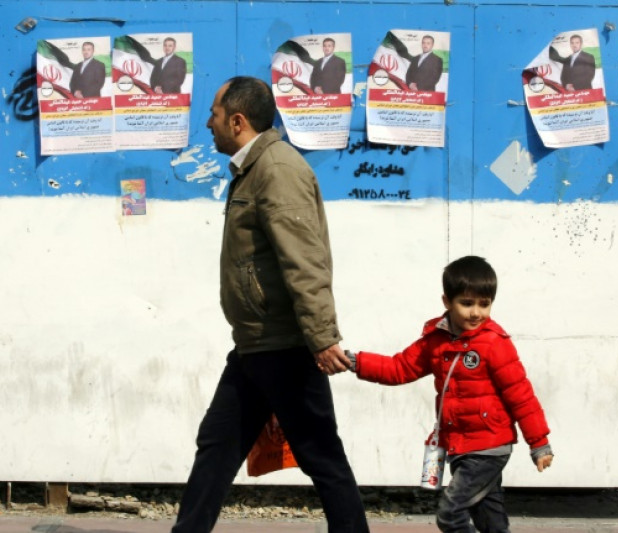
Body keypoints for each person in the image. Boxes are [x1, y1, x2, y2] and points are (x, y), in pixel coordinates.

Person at [172, 76, 368, 533]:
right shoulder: (253, 168)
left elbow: (304, 260)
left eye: (215, 115)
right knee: (218, 445)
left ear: (237, 121)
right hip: (255, 344)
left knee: (322, 456)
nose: (208, 123)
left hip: (285, 346)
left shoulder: (277, 170)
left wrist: (321, 337)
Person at [347, 256, 553, 533]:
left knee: (451, 514)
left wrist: (538, 442)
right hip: (458, 443)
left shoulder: (494, 344)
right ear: (447, 301)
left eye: (484, 304)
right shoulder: (435, 341)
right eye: (467, 304)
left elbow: (521, 395)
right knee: (488, 516)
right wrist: (356, 362)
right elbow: (399, 368)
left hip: (489, 446)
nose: (476, 313)